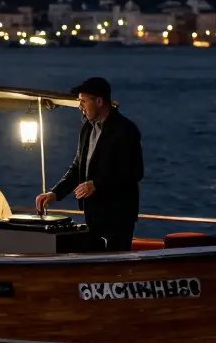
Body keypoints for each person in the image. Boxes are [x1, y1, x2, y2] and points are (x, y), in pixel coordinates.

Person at [36, 77, 144, 251]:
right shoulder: (87, 129)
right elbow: (78, 166)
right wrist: (55, 193)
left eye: (83, 101)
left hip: (118, 215)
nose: (80, 107)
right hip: (93, 214)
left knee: (114, 267)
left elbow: (134, 172)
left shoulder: (126, 130)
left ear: (99, 101)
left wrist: (97, 185)